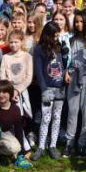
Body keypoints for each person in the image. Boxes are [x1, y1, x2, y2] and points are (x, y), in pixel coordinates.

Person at [31, 22, 68, 161]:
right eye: (55, 35)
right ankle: (41, 146)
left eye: (58, 35)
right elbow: (39, 71)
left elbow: (64, 66)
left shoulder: (59, 47)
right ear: (48, 35)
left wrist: (65, 56)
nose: (57, 38)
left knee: (57, 118)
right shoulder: (40, 49)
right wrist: (43, 89)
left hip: (60, 88)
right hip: (48, 89)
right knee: (46, 118)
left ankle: (53, 145)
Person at [63, 10, 86, 158]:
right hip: (73, 77)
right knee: (72, 111)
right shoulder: (71, 39)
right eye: (76, 21)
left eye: (81, 21)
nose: (78, 24)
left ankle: (82, 143)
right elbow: (67, 59)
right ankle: (69, 143)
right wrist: (66, 72)